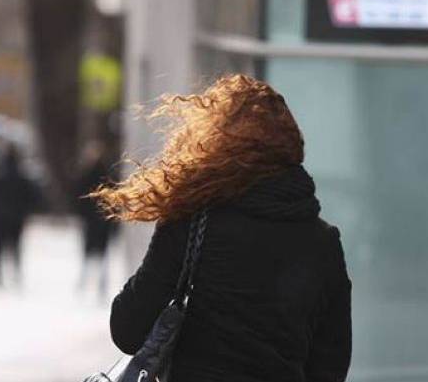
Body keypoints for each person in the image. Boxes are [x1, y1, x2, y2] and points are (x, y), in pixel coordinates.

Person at [90, 75, 352, 382]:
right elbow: (331, 365)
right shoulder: (323, 243)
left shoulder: (191, 221)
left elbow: (127, 330)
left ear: (217, 147)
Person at [0, 143, 38, 288]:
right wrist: (25, 212)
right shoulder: (23, 178)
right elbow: (33, 198)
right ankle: (15, 274)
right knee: (15, 247)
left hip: (0, 217)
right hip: (16, 218)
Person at [75, 141, 116, 299]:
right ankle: (96, 283)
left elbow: (79, 197)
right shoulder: (108, 176)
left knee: (92, 252)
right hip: (101, 220)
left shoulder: (88, 175)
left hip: (96, 221)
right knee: (100, 252)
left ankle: (92, 283)